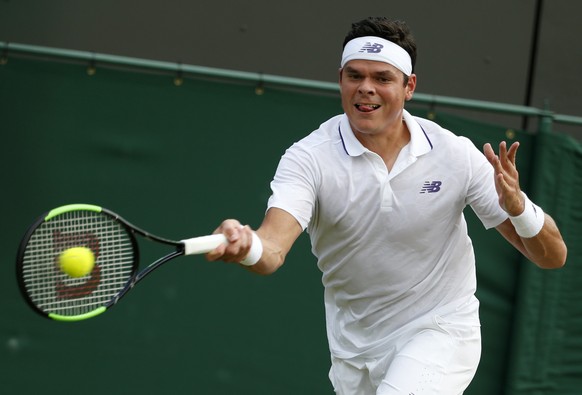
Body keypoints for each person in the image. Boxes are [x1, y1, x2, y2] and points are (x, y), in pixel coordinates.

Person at [206, 17, 567, 395]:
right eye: (355, 75)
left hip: (441, 330)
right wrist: (248, 246)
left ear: (409, 86)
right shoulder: (308, 159)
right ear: (341, 79)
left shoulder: (455, 154)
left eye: (382, 78)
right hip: (355, 351)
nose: (366, 89)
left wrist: (519, 207)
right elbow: (273, 249)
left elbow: (552, 256)